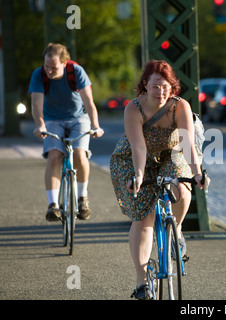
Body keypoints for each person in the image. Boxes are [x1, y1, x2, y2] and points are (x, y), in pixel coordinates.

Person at [110, 59, 210, 300]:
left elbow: (187, 144)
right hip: (132, 159)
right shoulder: (133, 109)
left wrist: (197, 172)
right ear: (145, 85)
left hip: (169, 154)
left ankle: (176, 228)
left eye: (166, 86)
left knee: (182, 190)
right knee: (143, 217)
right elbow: (138, 148)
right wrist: (139, 176)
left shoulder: (180, 106)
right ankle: (142, 281)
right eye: (156, 86)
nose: (161, 92)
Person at [29, 43, 104, 221]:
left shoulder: (76, 71)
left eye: (53, 67)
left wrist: (95, 125)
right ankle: (53, 204)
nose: (49, 71)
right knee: (54, 155)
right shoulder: (39, 75)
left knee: (79, 153)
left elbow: (89, 102)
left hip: (79, 118)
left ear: (64, 63)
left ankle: (82, 197)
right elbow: (36, 105)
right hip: (52, 119)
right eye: (46, 66)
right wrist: (40, 126)